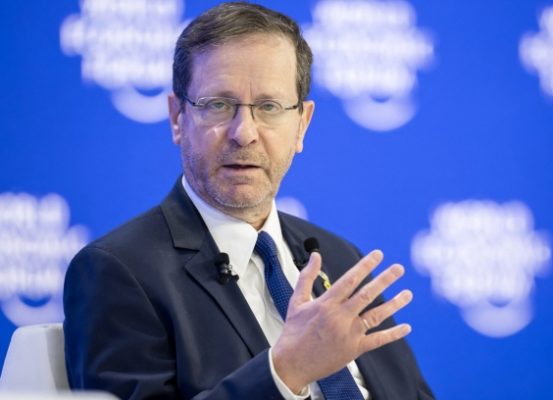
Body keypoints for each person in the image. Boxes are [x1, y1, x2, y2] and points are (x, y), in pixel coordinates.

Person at [63, 2, 435, 399]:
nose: (244, 133)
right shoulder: (118, 272)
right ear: (177, 118)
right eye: (218, 105)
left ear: (302, 124)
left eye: (269, 107)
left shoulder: (339, 259)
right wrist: (286, 371)